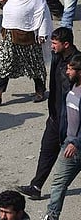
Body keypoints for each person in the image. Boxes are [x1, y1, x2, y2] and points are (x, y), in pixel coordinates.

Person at [17, 27, 80, 200]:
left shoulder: (76, 64)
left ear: (66, 44)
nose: (51, 46)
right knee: (47, 150)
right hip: (55, 116)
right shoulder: (57, 56)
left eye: (54, 43)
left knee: (72, 159)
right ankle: (36, 186)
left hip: (71, 120)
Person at [43, 54, 81, 220]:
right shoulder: (72, 87)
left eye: (71, 69)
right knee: (59, 181)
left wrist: (76, 142)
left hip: (75, 145)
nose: (67, 71)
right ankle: (52, 216)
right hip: (69, 144)